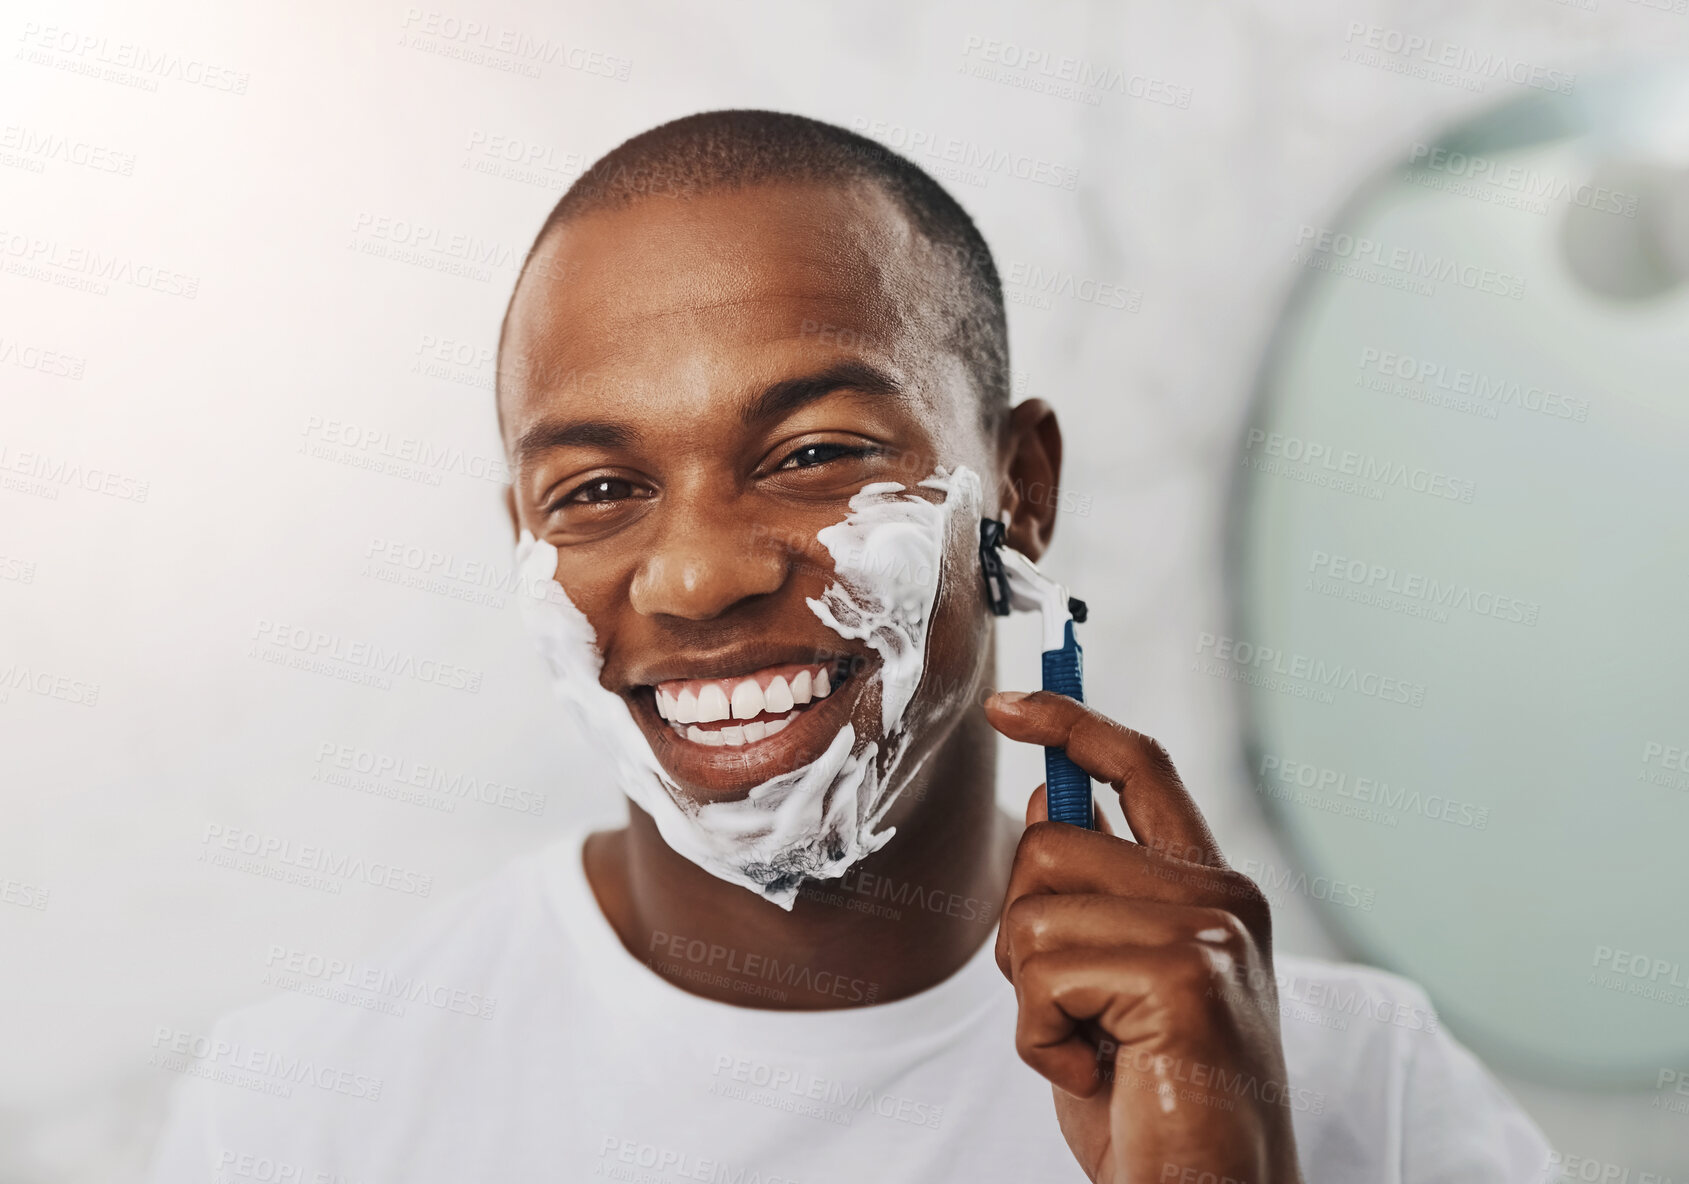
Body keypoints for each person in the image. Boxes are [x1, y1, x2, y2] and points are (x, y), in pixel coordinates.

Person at [150, 110, 1552, 1183]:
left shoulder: (1361, 1085)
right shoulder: (308, 1109)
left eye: (813, 453)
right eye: (594, 491)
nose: (695, 577)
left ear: (1018, 491)